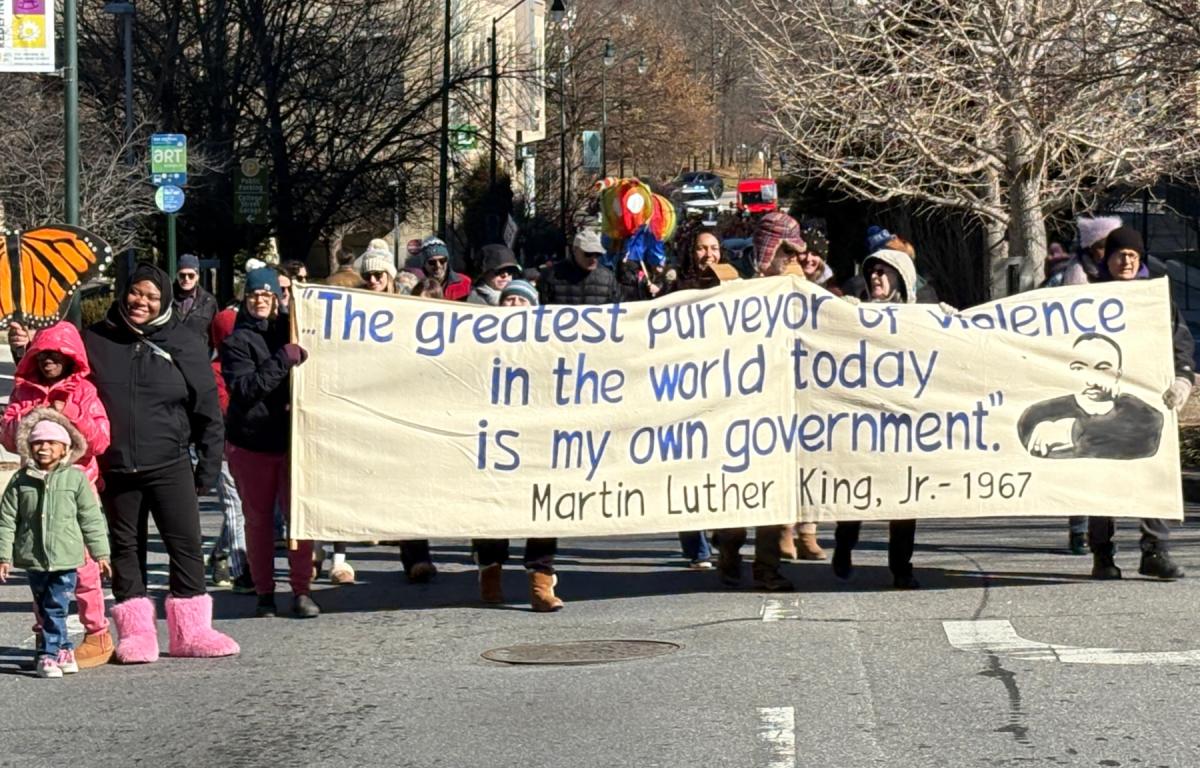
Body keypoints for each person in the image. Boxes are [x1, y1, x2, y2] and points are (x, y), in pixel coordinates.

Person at [84, 262, 238, 662]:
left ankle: (191, 632)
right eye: (136, 293)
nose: (142, 302)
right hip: (115, 466)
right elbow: (57, 367)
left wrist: (207, 464)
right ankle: (137, 634)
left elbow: (208, 409)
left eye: (152, 296)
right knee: (125, 548)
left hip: (169, 461)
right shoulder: (95, 339)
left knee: (184, 544)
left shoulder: (184, 342)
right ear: (123, 292)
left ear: (165, 300)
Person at [0, 321, 113, 667]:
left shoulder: (84, 392)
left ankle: (96, 632)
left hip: (76, 488)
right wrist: (31, 420)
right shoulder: (23, 393)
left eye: (57, 355)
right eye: (42, 355)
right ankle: (46, 635)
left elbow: (100, 440)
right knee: (40, 565)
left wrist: (70, 415)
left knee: (84, 568)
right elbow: (7, 435)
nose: (49, 361)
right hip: (36, 490)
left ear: (71, 359)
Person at [1085, 226, 1193, 581]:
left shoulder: (1156, 299)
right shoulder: (1084, 300)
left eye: (1133, 255)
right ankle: (1103, 554)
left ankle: (1155, 551)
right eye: (1120, 254)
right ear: (1107, 259)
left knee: (1153, 473)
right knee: (1101, 479)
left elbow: (1179, 343)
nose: (1127, 260)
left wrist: (1183, 377)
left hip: (1148, 403)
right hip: (1099, 403)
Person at [222, 268, 320, 617]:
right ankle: (265, 591)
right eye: (254, 296)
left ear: (277, 298)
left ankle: (301, 589)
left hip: (294, 440)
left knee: (300, 518)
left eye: (267, 295)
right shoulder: (236, 342)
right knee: (259, 520)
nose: (261, 301)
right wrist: (283, 360)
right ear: (245, 299)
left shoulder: (290, 330)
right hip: (252, 443)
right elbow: (246, 390)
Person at [831, 248, 920, 589]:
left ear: (901, 278)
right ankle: (844, 544)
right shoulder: (854, 314)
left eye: (885, 272)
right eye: (873, 271)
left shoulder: (919, 319)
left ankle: (901, 568)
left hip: (904, 424)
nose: (876, 277)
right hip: (863, 422)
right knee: (856, 493)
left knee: (905, 498)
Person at [353, 247, 439, 584]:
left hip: (406, 407)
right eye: (369, 276)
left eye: (379, 275)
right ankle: (335, 554)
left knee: (410, 486)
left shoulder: (407, 309)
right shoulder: (353, 309)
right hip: (368, 406)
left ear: (390, 276)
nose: (374, 281)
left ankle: (417, 556)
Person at [1018, 334, 1163, 460]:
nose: (1092, 381)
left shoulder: (1141, 414)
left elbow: (1146, 437)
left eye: (1103, 368)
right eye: (1079, 368)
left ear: (1118, 374)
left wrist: (1072, 431)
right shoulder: (1040, 414)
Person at [206, 308, 254, 593]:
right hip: (223, 446)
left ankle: (220, 554)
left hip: (248, 443)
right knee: (236, 505)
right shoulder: (214, 372)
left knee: (244, 506)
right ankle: (241, 569)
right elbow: (223, 410)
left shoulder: (249, 362)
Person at [538, 230, 621, 306]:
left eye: (597, 254)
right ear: (574, 250)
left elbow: (617, 309)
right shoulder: (551, 276)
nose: (593, 258)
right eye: (588, 254)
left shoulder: (608, 278)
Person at [1049, 216, 1123, 287]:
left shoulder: (1125, 269)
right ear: (1090, 249)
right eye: (1101, 247)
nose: (1108, 250)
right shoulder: (1075, 274)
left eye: (1113, 246)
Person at [173, 254, 219, 344]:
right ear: (177, 275)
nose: (186, 279)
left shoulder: (209, 302)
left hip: (199, 354)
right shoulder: (167, 298)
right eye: (182, 275)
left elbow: (215, 332)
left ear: (197, 276)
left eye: (191, 275)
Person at [797, 227, 842, 296]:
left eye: (814, 254)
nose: (808, 258)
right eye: (804, 252)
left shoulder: (831, 291)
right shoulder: (782, 280)